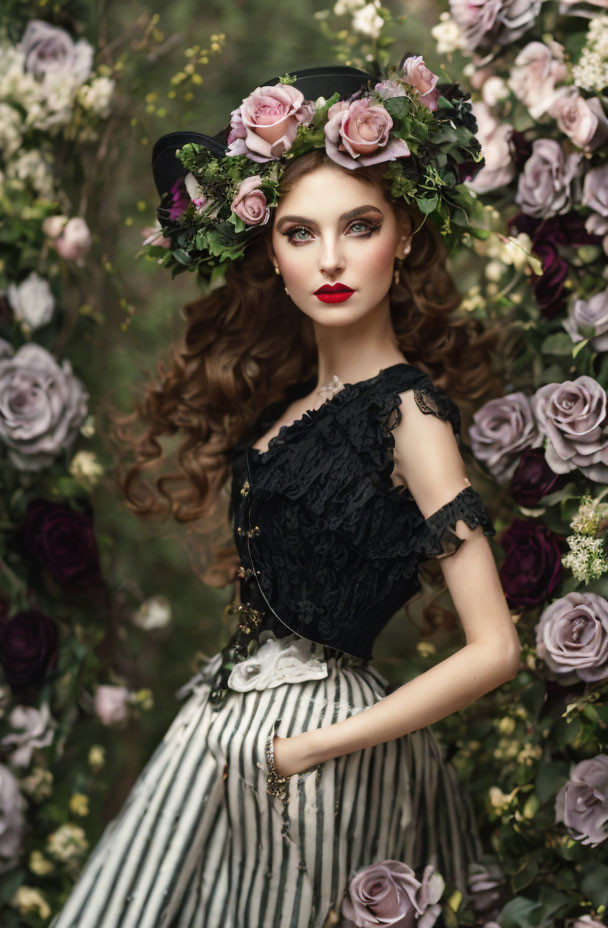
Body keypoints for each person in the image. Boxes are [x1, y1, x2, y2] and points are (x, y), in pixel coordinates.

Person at [50, 63, 520, 928]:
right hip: (226, 733)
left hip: (323, 751)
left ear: (406, 232)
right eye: (302, 233)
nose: (331, 259)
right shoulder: (287, 410)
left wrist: (310, 744)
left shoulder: (409, 414)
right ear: (271, 250)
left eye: (361, 225)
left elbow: (495, 650)